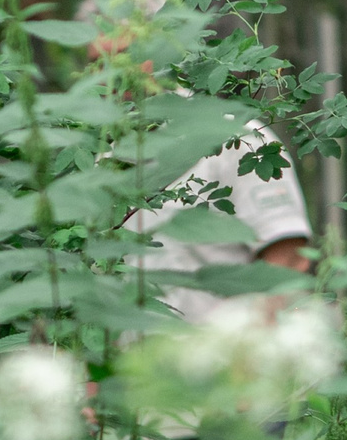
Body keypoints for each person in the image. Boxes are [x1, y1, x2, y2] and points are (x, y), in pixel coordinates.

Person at [122, 126, 316, 322]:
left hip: (218, 346)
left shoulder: (238, 138)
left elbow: (287, 259)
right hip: (128, 349)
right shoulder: (104, 148)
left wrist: (251, 346)